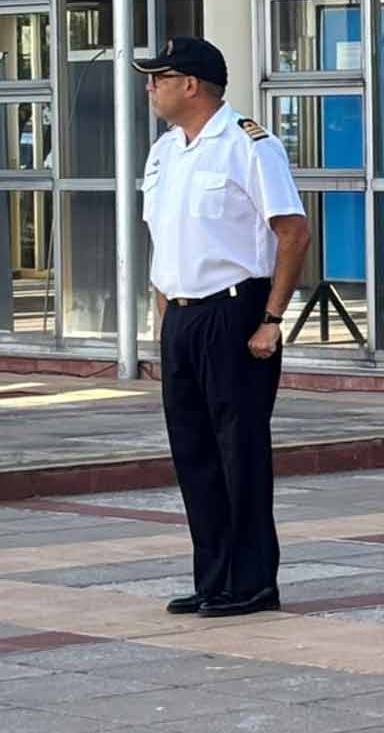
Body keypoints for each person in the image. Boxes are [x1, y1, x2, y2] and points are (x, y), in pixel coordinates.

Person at [136, 37, 310, 618]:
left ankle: (254, 581)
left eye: (158, 77)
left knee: (240, 451)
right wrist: (164, 315)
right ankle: (213, 578)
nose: (150, 87)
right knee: (193, 452)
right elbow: (163, 239)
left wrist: (271, 319)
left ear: (190, 84)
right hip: (181, 317)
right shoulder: (165, 151)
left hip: (236, 313)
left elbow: (292, 231)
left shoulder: (249, 145)